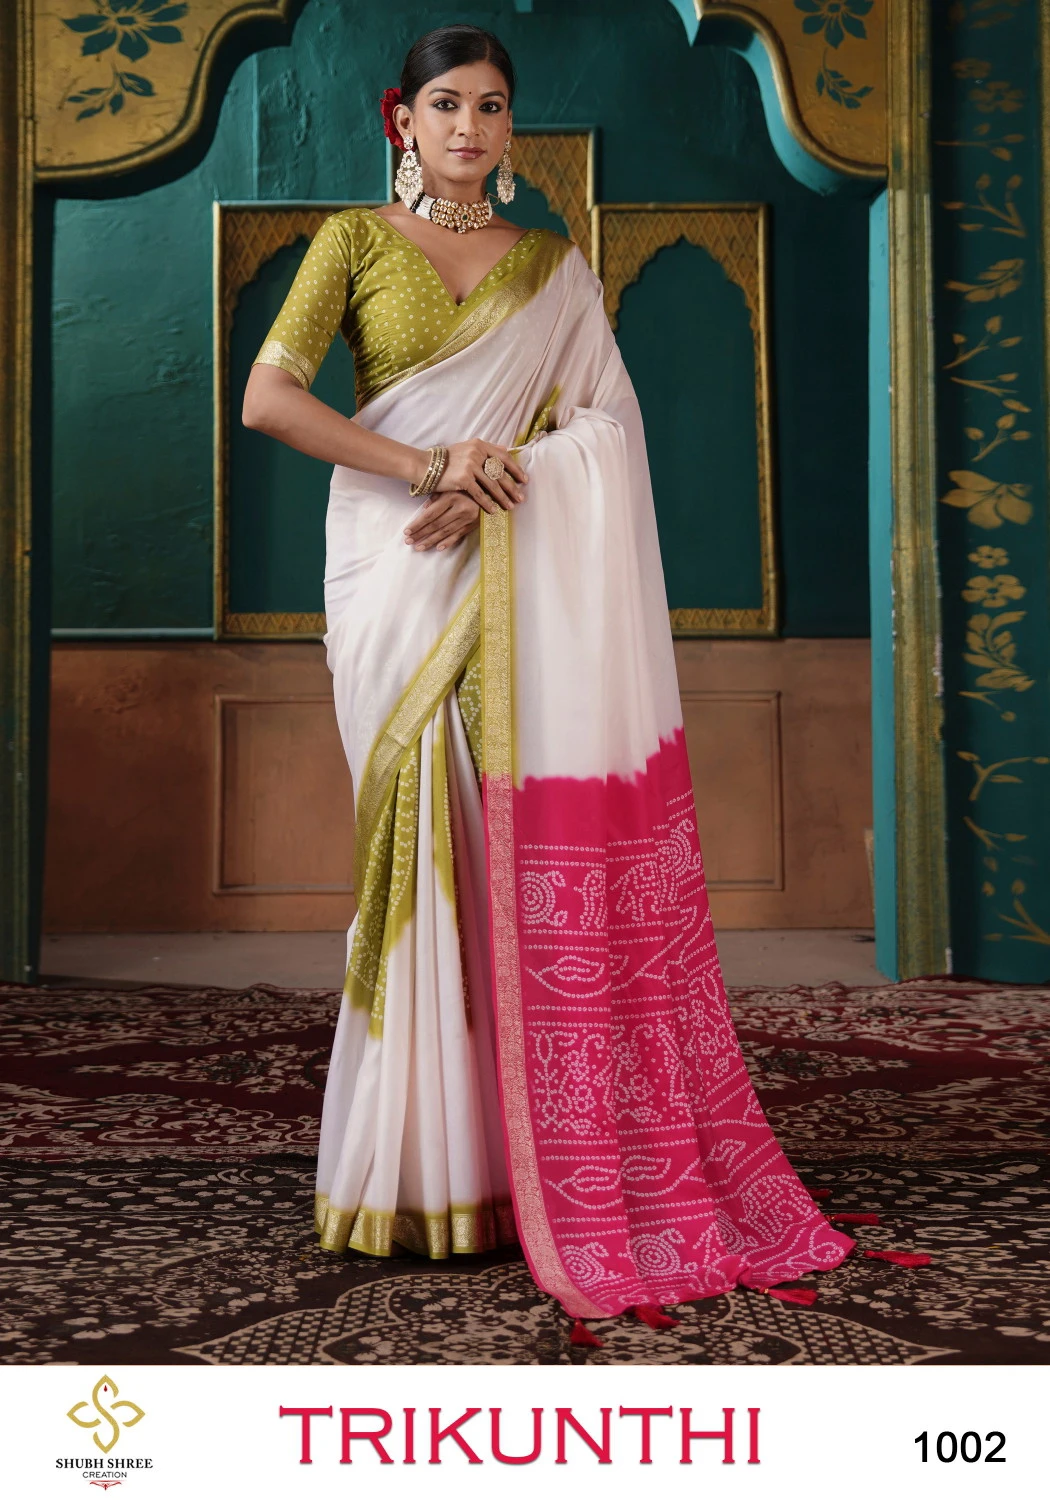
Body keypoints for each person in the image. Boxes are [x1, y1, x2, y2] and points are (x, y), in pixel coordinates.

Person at [242, 22, 856, 1328]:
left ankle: (518, 1158)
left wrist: (506, 476)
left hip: (513, 569)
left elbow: (606, 427)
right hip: (398, 570)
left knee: (503, 848)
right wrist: (431, 465)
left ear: (510, 128)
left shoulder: (551, 266)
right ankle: (418, 1170)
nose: (468, 128)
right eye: (446, 106)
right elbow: (269, 400)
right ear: (401, 120)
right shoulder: (351, 244)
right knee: (415, 841)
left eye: (491, 107)